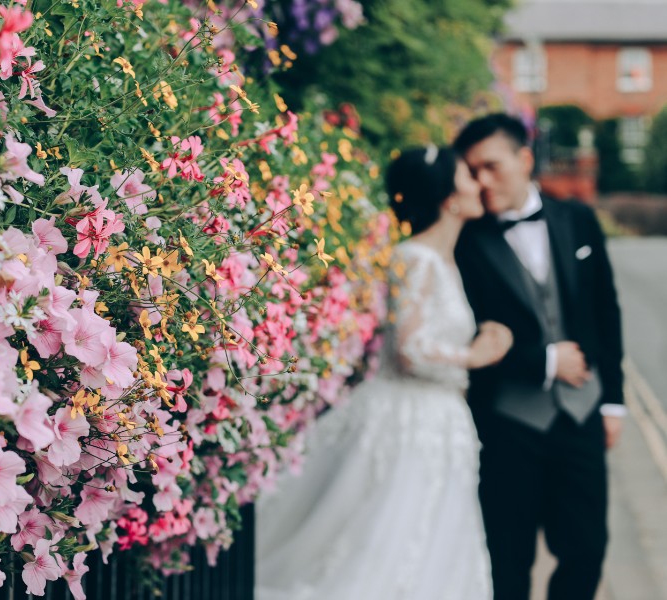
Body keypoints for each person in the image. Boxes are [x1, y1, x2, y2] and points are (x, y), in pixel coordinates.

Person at [255, 145, 511, 599]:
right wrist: (475, 355)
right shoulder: (415, 258)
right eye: (469, 177)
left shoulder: (444, 259)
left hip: (441, 420)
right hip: (408, 420)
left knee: (434, 539)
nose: (479, 184)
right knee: (387, 539)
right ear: (449, 197)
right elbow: (410, 348)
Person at [453, 113, 625, 600]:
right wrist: (544, 360)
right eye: (473, 170)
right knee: (508, 560)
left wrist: (613, 401)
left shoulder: (577, 219)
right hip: (507, 422)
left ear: (525, 159)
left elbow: (604, 311)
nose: (483, 181)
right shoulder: (465, 239)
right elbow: (462, 337)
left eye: (492, 166)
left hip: (583, 413)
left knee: (586, 550)